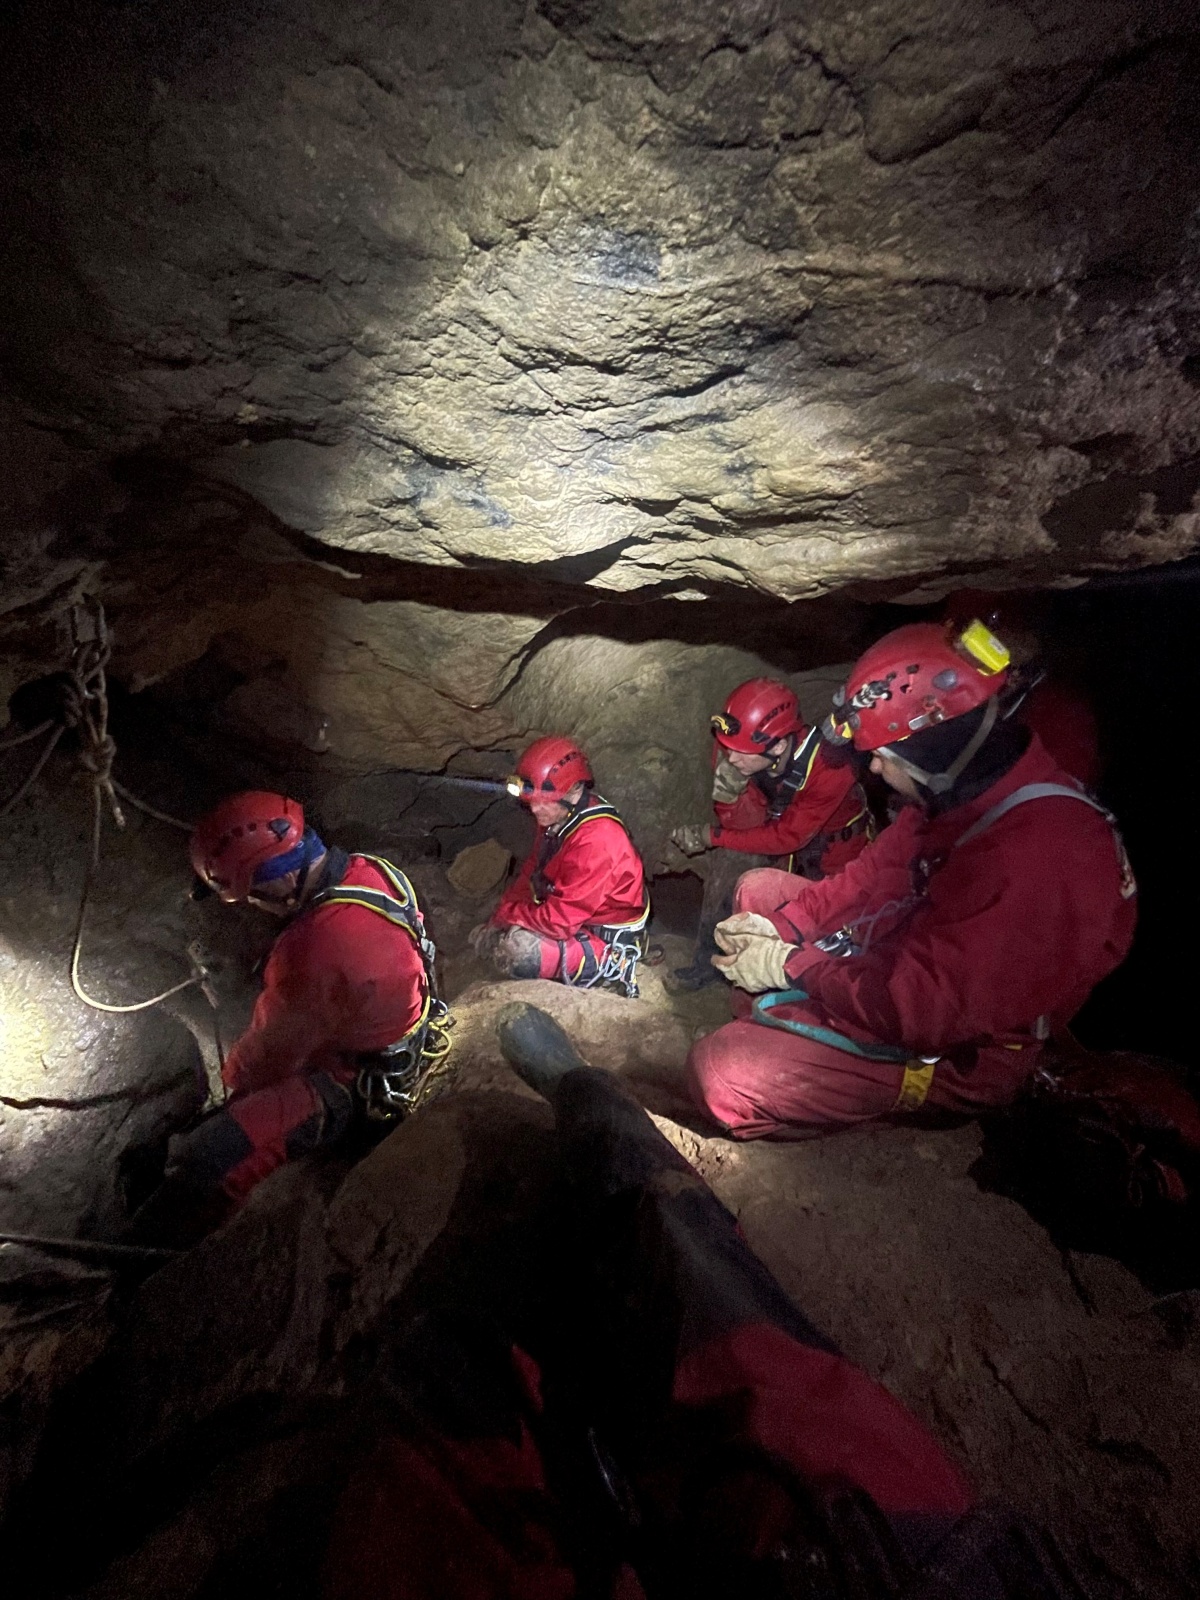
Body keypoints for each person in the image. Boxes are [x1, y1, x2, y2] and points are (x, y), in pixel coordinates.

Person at [323, 1004, 1088, 1600]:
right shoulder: (959, 826)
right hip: (896, 1545)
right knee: (725, 1313)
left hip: (862, 1560)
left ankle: (589, 1108)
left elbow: (934, 989)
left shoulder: (1023, 847)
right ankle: (591, 1108)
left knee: (457, 1374)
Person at [687, 620, 1138, 1139]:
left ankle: (848, 1082)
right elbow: (869, 879)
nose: (874, 770)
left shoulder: (1036, 858)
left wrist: (794, 965)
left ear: (928, 754)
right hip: (906, 948)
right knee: (759, 897)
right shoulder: (954, 794)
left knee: (721, 1073)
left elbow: (920, 1011)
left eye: (882, 756)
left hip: (959, 1048)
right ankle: (793, 1029)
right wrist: (785, 929)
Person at [127, 791, 446, 1241]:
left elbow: (269, 1056)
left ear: (276, 879)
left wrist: (232, 1083)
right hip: (398, 1031)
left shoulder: (313, 949)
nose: (252, 904)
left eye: (251, 893)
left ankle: (139, 1262)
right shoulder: (371, 870)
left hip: (355, 1085)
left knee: (212, 1156)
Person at [666, 678, 872, 992]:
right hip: (790, 847)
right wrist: (729, 800)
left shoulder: (831, 767)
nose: (730, 758)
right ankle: (709, 965)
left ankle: (796, 992)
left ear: (777, 745)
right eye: (727, 748)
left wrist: (712, 835)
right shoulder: (740, 747)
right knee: (732, 883)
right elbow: (749, 828)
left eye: (740, 753)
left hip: (838, 859)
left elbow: (786, 837)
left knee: (822, 930)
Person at [470, 736, 650, 996]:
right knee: (489, 934)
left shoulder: (599, 840)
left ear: (574, 792)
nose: (535, 810)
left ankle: (614, 965)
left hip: (602, 932)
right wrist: (500, 917)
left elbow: (558, 922)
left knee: (519, 951)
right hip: (573, 913)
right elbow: (532, 873)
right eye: (531, 800)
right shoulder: (556, 819)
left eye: (544, 801)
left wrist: (512, 917)